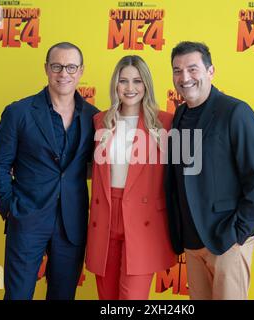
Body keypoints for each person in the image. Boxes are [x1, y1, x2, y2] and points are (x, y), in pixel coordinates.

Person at [0, 42, 99, 300]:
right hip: (27, 219)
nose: (64, 74)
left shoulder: (94, 118)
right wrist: (10, 208)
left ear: (81, 71)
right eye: (57, 66)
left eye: (71, 67)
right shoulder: (19, 112)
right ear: (46, 69)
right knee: (17, 295)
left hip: (71, 224)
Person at [164, 41, 254, 300]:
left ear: (211, 71)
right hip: (192, 241)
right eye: (177, 71)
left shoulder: (235, 112)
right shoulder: (178, 116)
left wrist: (238, 233)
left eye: (192, 69)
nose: (184, 77)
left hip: (227, 240)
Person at [85, 55, 176, 300]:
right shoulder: (99, 120)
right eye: (123, 81)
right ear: (115, 85)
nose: (130, 88)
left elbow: (185, 173)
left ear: (146, 85)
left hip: (143, 218)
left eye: (137, 81)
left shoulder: (165, 123)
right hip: (105, 214)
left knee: (132, 298)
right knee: (107, 298)